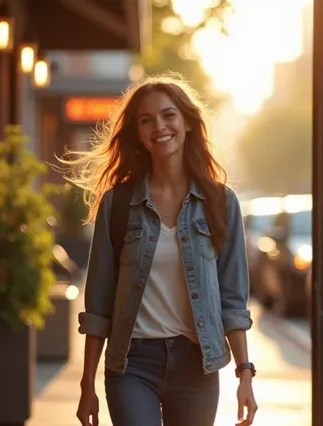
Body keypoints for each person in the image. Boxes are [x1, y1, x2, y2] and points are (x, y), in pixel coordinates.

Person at [64, 73, 258, 426]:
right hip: (133, 364)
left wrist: (244, 373)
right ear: (138, 133)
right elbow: (99, 304)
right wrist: (86, 383)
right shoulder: (118, 204)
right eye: (147, 120)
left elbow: (233, 300)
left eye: (169, 115)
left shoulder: (220, 202)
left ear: (187, 122)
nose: (160, 126)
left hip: (196, 366)